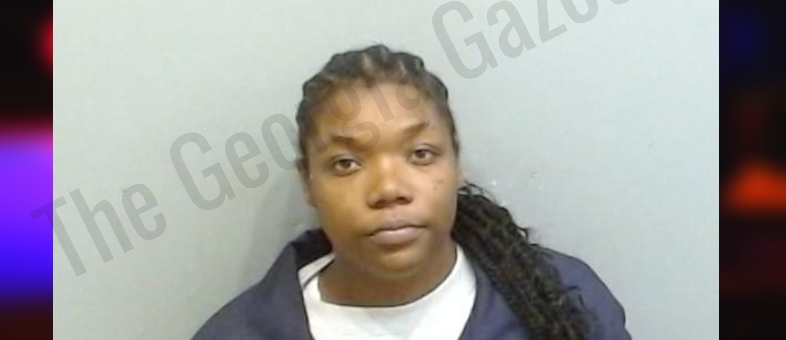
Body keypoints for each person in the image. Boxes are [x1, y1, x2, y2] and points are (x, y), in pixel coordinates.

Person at [192, 44, 631, 339]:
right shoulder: (240, 333)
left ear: (455, 164)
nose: (389, 189)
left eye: (420, 154)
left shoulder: (567, 302)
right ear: (309, 182)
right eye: (346, 163)